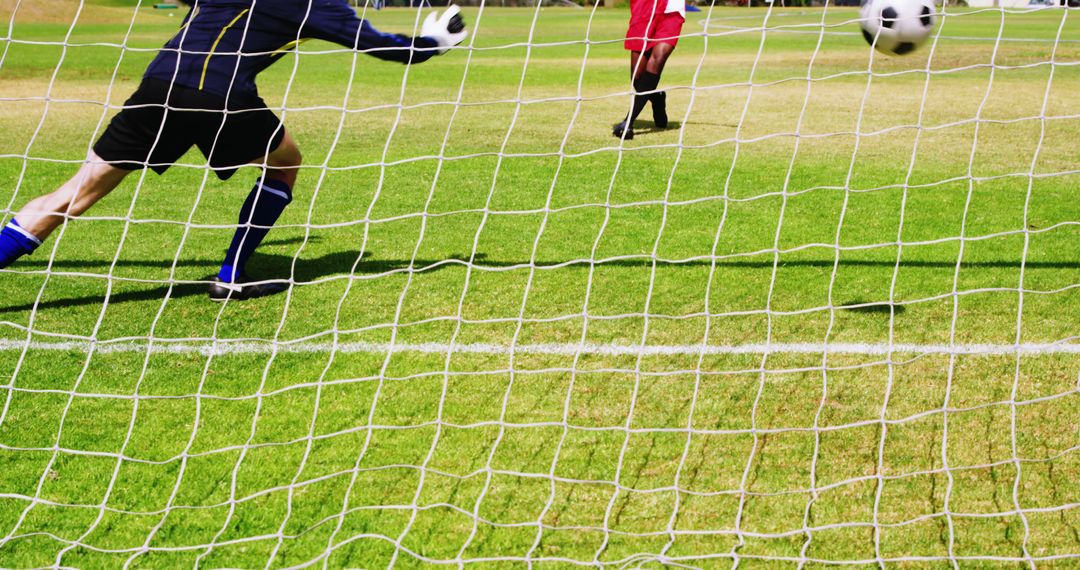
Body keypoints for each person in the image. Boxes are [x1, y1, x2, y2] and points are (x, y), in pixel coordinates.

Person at [0, 0, 467, 301]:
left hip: (160, 83)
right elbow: (383, 47)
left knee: (78, 193)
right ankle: (231, 274)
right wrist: (435, 42)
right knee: (286, 164)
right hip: (221, 98)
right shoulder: (315, 4)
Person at [613, 0, 685, 140]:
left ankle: (628, 122)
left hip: (670, 9)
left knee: (657, 59)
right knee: (637, 78)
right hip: (643, 9)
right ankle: (657, 97)